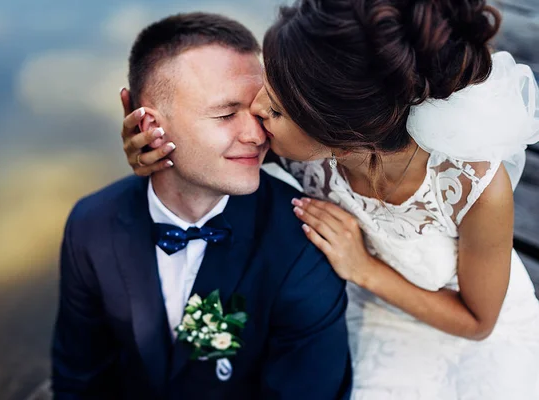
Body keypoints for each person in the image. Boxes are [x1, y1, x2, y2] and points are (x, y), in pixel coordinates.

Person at [123, 1, 539, 398]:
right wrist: (161, 152)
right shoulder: (299, 136)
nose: (256, 108)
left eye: (279, 111)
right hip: (338, 308)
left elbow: (478, 321)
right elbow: (207, 157)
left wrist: (363, 267)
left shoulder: (476, 189)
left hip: (451, 330)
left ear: (340, 143)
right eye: (269, 80)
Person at [51, 12, 352, 400]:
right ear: (146, 127)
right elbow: (78, 377)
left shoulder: (303, 243)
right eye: (226, 114)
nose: (256, 134)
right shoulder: (91, 224)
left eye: (262, 110)